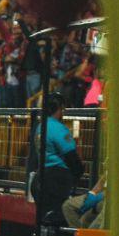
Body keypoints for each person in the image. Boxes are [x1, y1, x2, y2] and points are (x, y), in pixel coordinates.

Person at [34, 92, 84, 224]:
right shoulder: (58, 129)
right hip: (56, 180)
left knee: (44, 219)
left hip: (41, 176)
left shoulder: (41, 126)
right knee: (58, 219)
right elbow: (71, 156)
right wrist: (79, 173)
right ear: (59, 109)